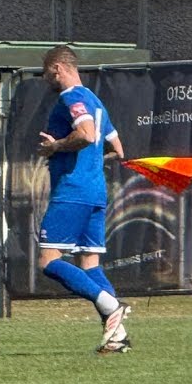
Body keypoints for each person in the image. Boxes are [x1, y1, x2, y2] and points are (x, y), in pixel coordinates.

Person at [35, 45, 130, 354]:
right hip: (96, 191)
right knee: (89, 264)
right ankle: (117, 336)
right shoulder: (96, 101)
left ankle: (112, 306)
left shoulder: (71, 97)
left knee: (49, 261)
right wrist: (90, 162)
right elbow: (117, 150)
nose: (45, 79)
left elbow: (87, 134)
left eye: (45, 73)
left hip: (72, 191)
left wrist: (56, 147)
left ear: (57, 68)